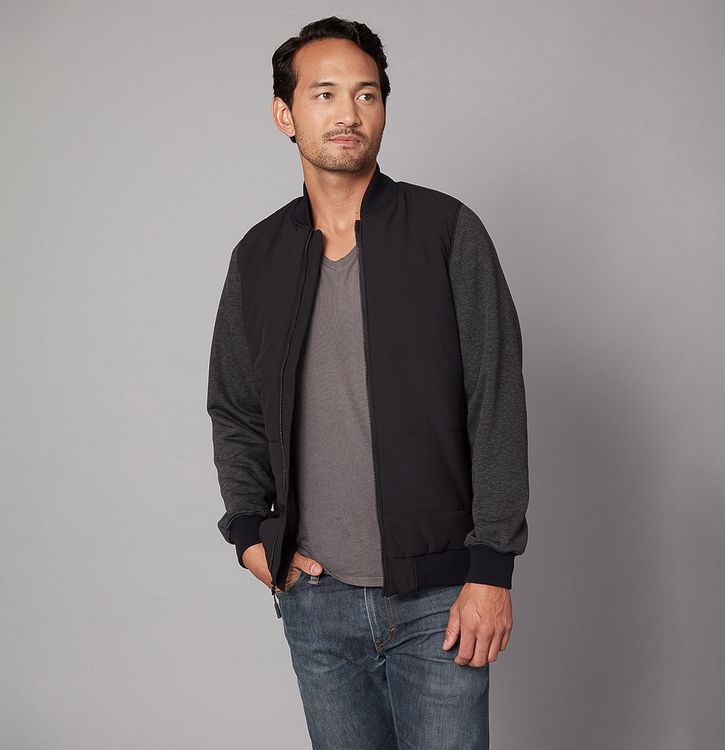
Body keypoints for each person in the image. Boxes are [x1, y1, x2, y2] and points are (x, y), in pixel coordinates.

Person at [207, 16, 529, 750]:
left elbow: (497, 398)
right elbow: (235, 406)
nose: (348, 113)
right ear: (286, 114)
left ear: (383, 107)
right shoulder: (257, 257)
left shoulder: (448, 231)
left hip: (441, 597)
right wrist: (250, 530)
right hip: (315, 600)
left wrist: (491, 569)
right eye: (324, 94)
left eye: (366, 94)